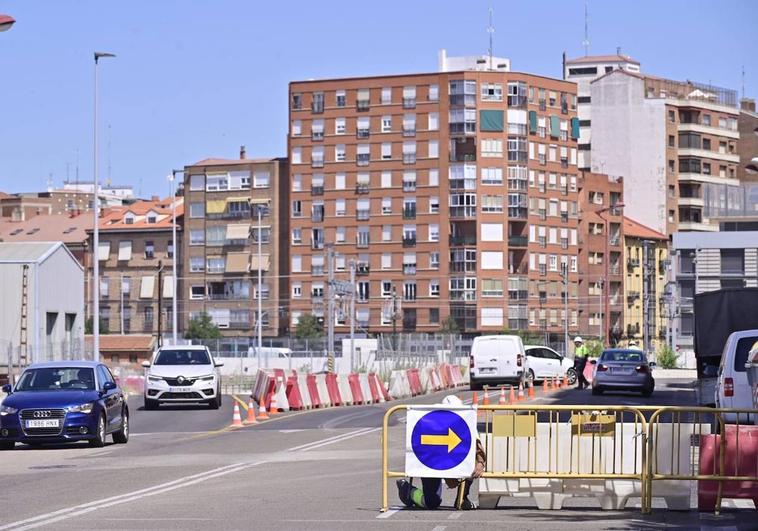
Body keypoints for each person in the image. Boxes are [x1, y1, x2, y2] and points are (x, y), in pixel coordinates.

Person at [396, 395, 486, 510]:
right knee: (432, 503)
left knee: (471, 463)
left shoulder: (465, 420)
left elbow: (477, 446)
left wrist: (480, 463)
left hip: (453, 459)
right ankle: (406, 490)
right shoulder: (430, 419)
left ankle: (462, 498)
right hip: (432, 462)